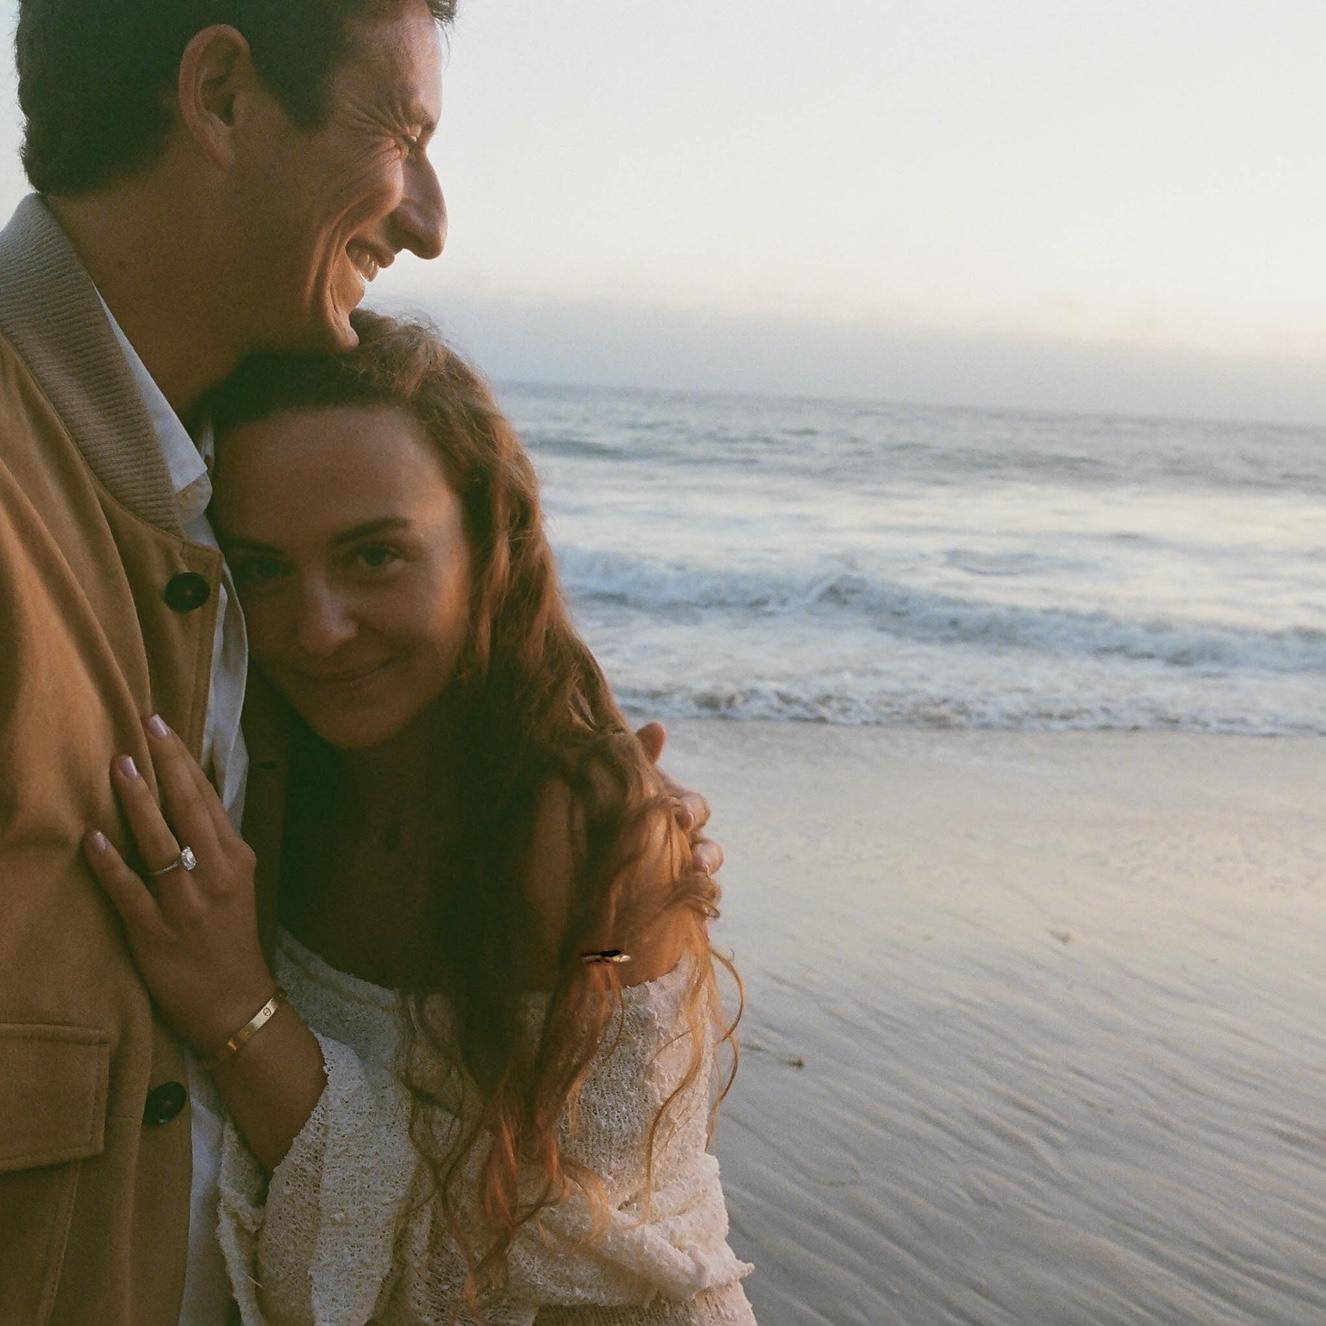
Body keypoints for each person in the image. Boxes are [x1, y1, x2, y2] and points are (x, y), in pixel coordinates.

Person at [0, 3, 719, 1321]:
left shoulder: (196, 502)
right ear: (220, 94)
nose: (430, 221)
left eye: (375, 556)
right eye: (401, 134)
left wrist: (581, 798)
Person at [82, 311, 756, 1324]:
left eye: (374, 557)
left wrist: (241, 1015)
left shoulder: (583, 838)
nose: (317, 629)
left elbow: (554, 1273)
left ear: (489, 541)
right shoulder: (265, 771)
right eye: (263, 569)